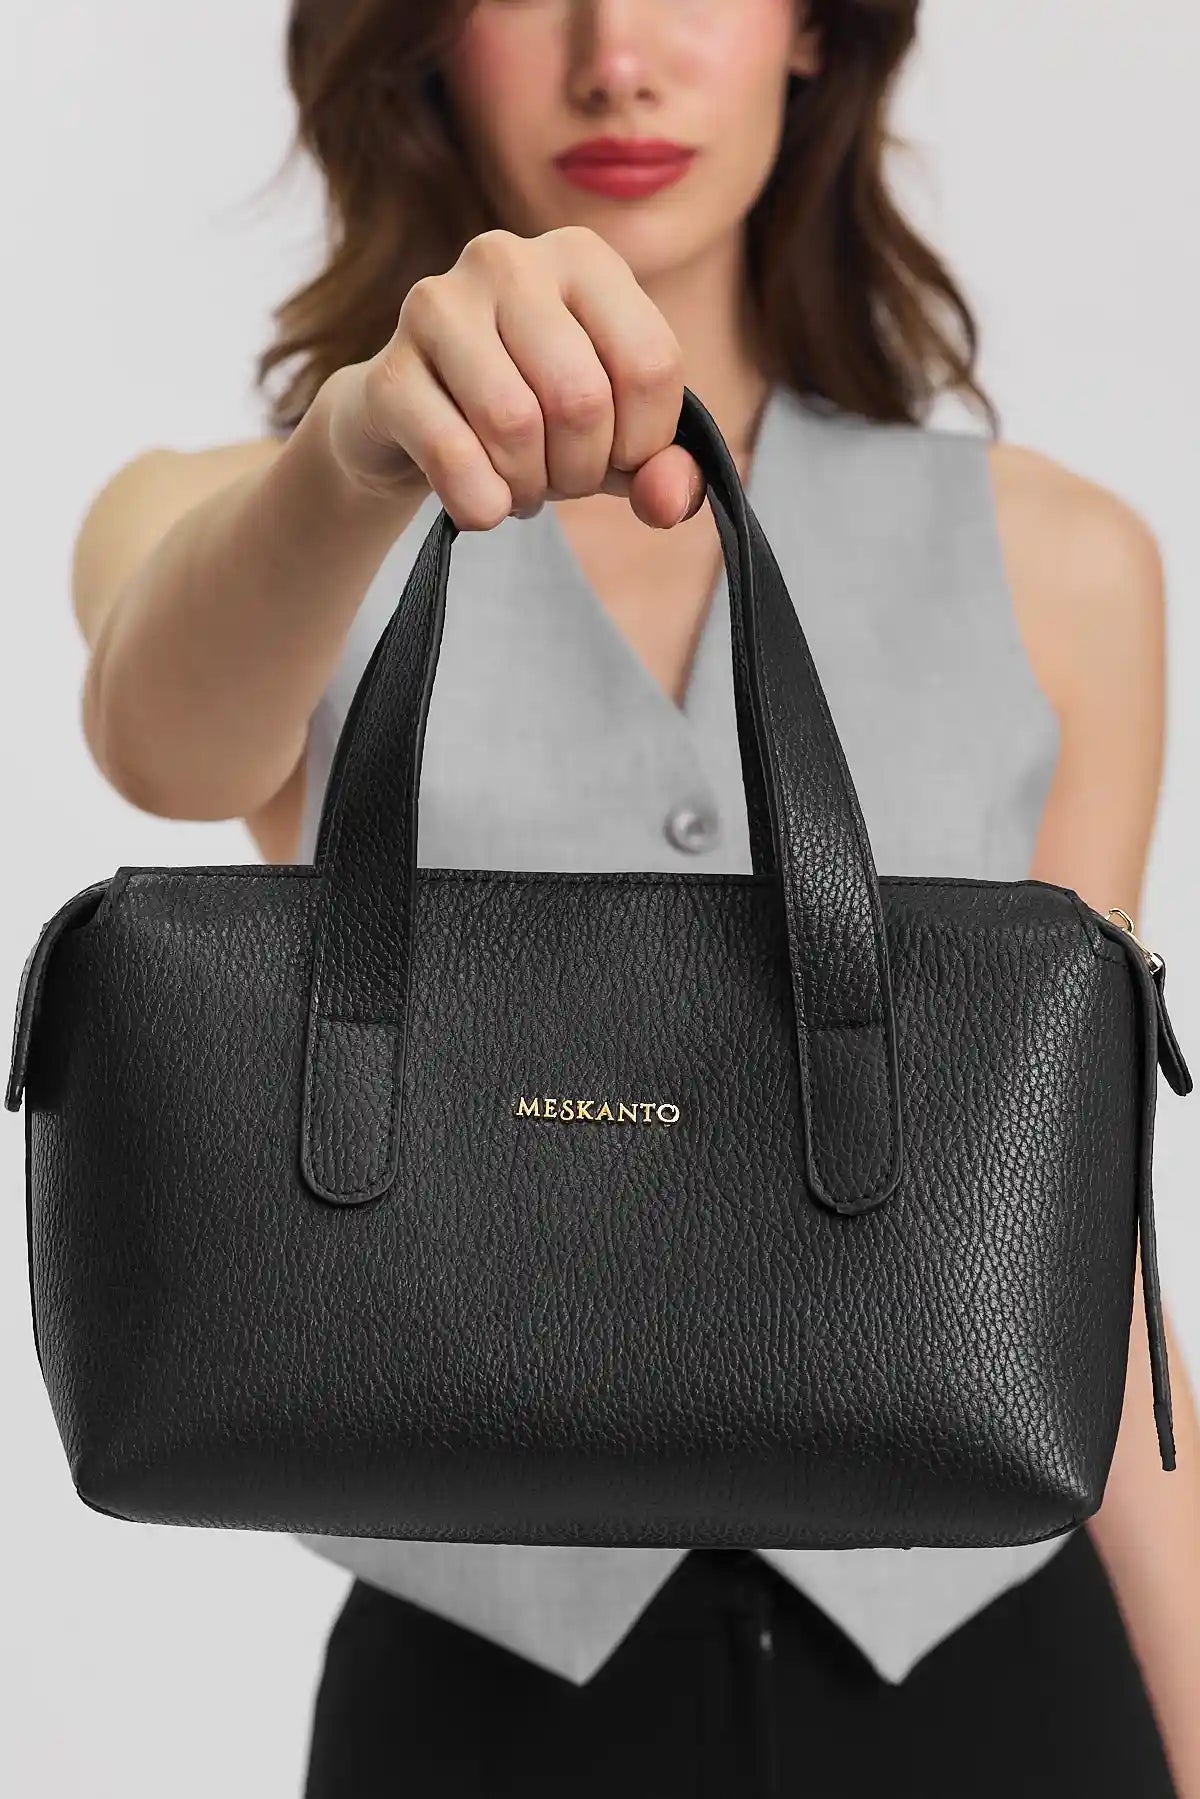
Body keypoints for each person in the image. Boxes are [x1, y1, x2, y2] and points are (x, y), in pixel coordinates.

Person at [68, 1, 1199, 1793]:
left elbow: (1083, 1269)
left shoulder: (1063, 559)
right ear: (423, 37)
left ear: (815, 31)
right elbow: (163, 747)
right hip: (478, 1708)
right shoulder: (254, 514)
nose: (617, 54)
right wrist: (357, 449)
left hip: (1001, 1685)